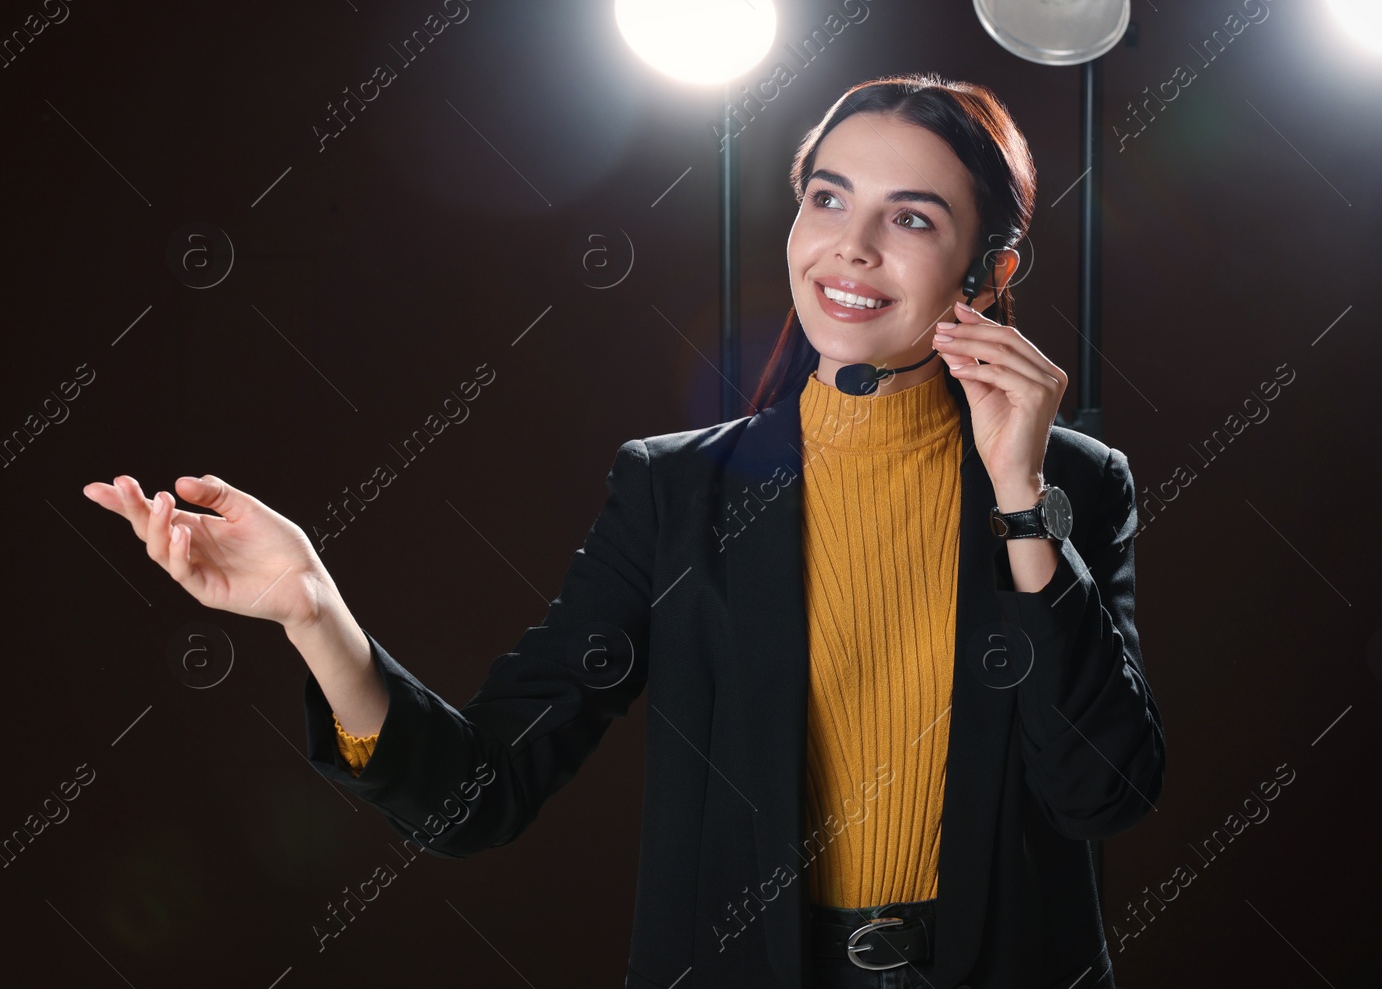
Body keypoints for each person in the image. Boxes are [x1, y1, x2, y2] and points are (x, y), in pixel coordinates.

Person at [83, 72, 1164, 989]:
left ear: (991, 269)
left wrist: (1020, 495)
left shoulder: (1078, 484)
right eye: (828, 199)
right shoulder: (676, 490)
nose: (853, 247)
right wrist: (314, 609)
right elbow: (480, 793)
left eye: (913, 217)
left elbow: (1099, 790)